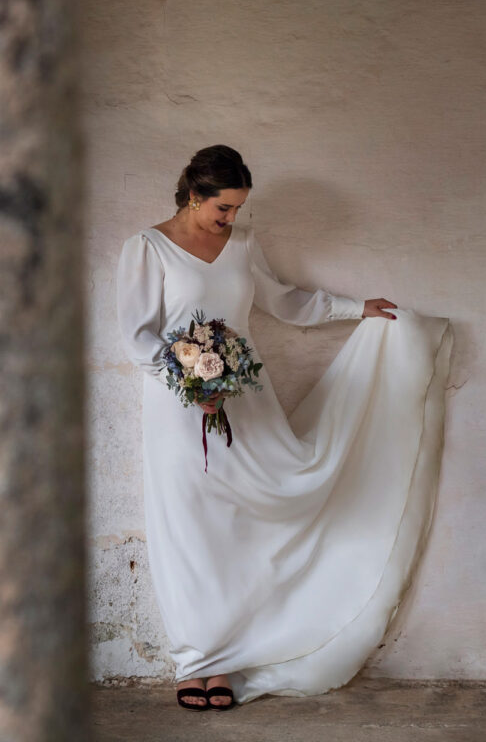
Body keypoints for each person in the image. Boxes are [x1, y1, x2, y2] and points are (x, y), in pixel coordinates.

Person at [116, 145, 451, 709]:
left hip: (247, 397)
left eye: (238, 209)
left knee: (253, 520)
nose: (232, 219)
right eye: (223, 208)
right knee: (192, 531)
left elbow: (286, 303)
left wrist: (357, 309)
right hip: (178, 410)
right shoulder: (147, 249)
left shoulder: (244, 245)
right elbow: (137, 335)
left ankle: (230, 660)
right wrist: (191, 385)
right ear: (194, 196)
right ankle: (194, 662)